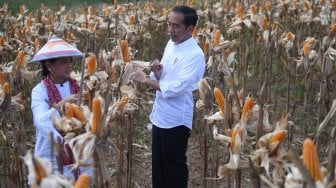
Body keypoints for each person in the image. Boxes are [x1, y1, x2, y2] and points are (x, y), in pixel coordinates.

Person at [131, 6, 205, 188]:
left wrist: (147, 81)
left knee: (174, 169)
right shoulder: (171, 44)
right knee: (158, 167)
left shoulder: (195, 55)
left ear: (190, 29)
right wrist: (157, 72)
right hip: (160, 116)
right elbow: (166, 79)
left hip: (176, 120)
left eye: (176, 26)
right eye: (169, 24)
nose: (171, 30)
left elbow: (177, 88)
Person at [29, 35, 91, 181]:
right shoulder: (40, 90)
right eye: (64, 62)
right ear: (49, 65)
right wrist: (62, 105)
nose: (69, 65)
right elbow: (40, 121)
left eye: (70, 61)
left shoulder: (79, 86)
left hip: (80, 151)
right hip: (51, 154)